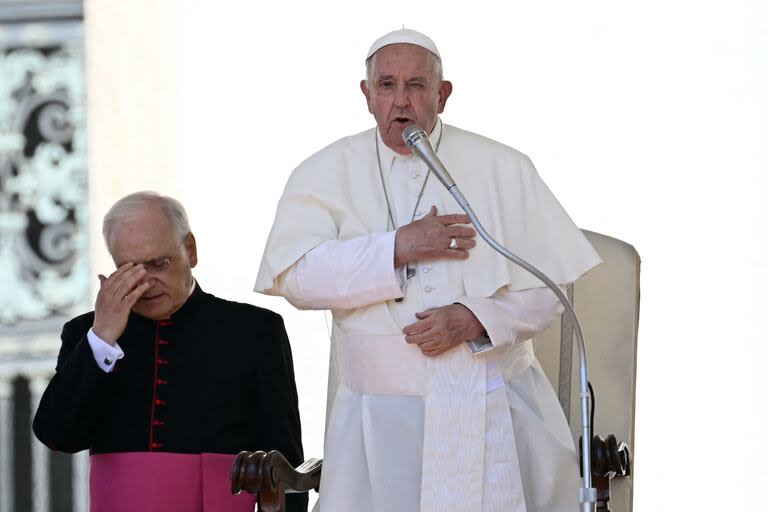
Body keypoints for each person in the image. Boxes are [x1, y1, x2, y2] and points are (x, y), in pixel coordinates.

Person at [255, 29, 602, 512]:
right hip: (373, 420)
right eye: (386, 86)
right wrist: (396, 247)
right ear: (366, 94)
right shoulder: (323, 171)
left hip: (491, 402)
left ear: (443, 94)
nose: (401, 101)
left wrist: (476, 318)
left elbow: (551, 286)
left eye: (417, 86)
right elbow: (296, 278)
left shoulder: (503, 167)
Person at [33, 191, 307, 512]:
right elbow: (58, 436)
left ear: (189, 250)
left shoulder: (255, 330)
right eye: (130, 268)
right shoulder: (87, 334)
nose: (146, 283)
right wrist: (102, 338)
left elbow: (284, 460)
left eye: (158, 263)